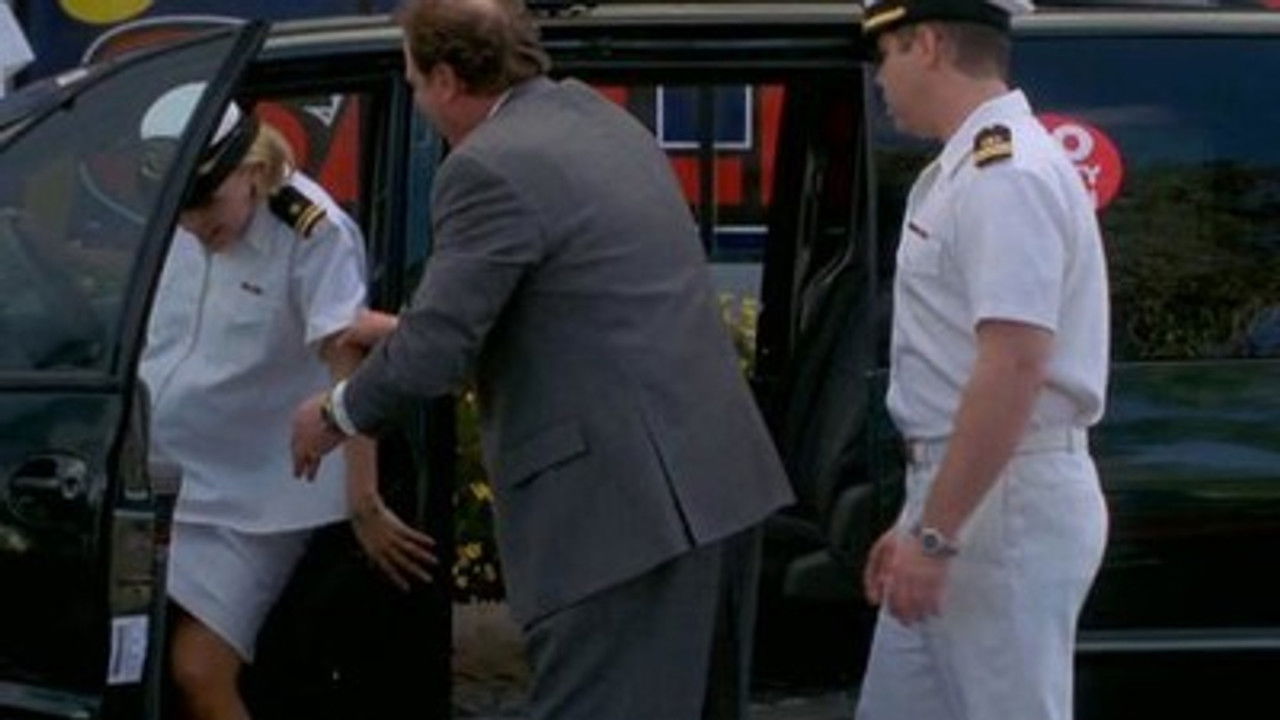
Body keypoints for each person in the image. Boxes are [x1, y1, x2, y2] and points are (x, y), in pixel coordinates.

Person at [289, 1, 794, 718]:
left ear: (445, 79)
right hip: (709, 486)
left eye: (412, 80)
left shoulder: (486, 169)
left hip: (618, 514)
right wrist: (409, 331)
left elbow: (436, 355)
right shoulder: (597, 121)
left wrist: (334, 413)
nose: (414, 95)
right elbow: (573, 307)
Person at [138, 92, 435, 720]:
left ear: (250, 170)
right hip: (158, 479)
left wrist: (364, 502)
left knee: (198, 671)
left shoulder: (310, 231)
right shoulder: (179, 220)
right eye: (183, 211)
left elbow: (346, 357)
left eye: (206, 205)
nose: (195, 225)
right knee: (127, 664)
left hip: (252, 499)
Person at [853, 1, 1110, 719]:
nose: (880, 78)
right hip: (969, 495)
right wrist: (923, 518)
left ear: (930, 44)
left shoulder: (1006, 173)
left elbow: (1014, 364)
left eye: (887, 54)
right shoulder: (970, 168)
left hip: (1006, 503)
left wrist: (938, 533)